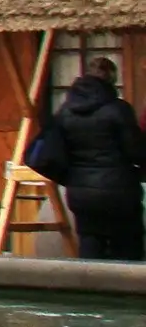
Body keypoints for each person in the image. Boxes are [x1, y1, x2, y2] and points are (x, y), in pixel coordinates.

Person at [38, 57, 146, 260]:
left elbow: (57, 149)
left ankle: (89, 287)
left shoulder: (65, 112)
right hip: (119, 190)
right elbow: (136, 151)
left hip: (81, 190)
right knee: (127, 246)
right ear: (112, 78)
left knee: (90, 244)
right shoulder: (118, 109)